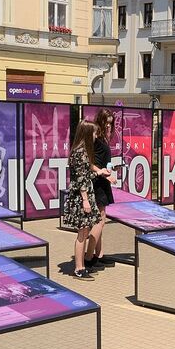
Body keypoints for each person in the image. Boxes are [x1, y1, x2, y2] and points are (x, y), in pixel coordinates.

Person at [62, 120, 102, 280]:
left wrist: (99, 172)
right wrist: (85, 200)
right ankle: (79, 268)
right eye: (94, 133)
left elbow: (86, 173)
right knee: (83, 232)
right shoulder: (80, 152)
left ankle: (81, 266)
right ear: (87, 134)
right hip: (81, 198)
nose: (95, 136)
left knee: (84, 231)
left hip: (85, 195)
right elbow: (80, 179)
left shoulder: (81, 151)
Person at [85, 108, 117, 271]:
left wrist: (109, 170)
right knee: (100, 220)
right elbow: (90, 162)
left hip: (102, 180)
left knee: (100, 220)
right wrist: (103, 174)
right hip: (97, 182)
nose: (109, 125)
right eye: (106, 122)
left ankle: (99, 254)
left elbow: (102, 160)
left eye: (111, 123)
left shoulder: (103, 136)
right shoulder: (96, 136)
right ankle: (88, 256)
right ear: (100, 121)